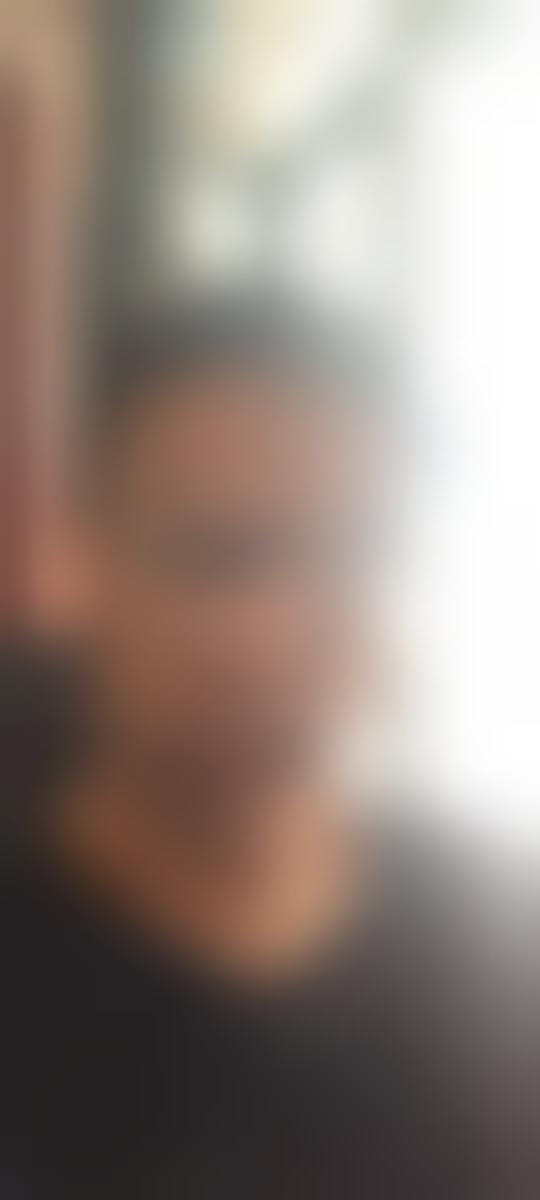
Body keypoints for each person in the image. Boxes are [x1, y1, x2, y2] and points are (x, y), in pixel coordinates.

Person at [0, 297, 519, 1197]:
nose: (266, 639)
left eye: (342, 558)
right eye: (212, 555)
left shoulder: (490, 933)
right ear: (83, 561)